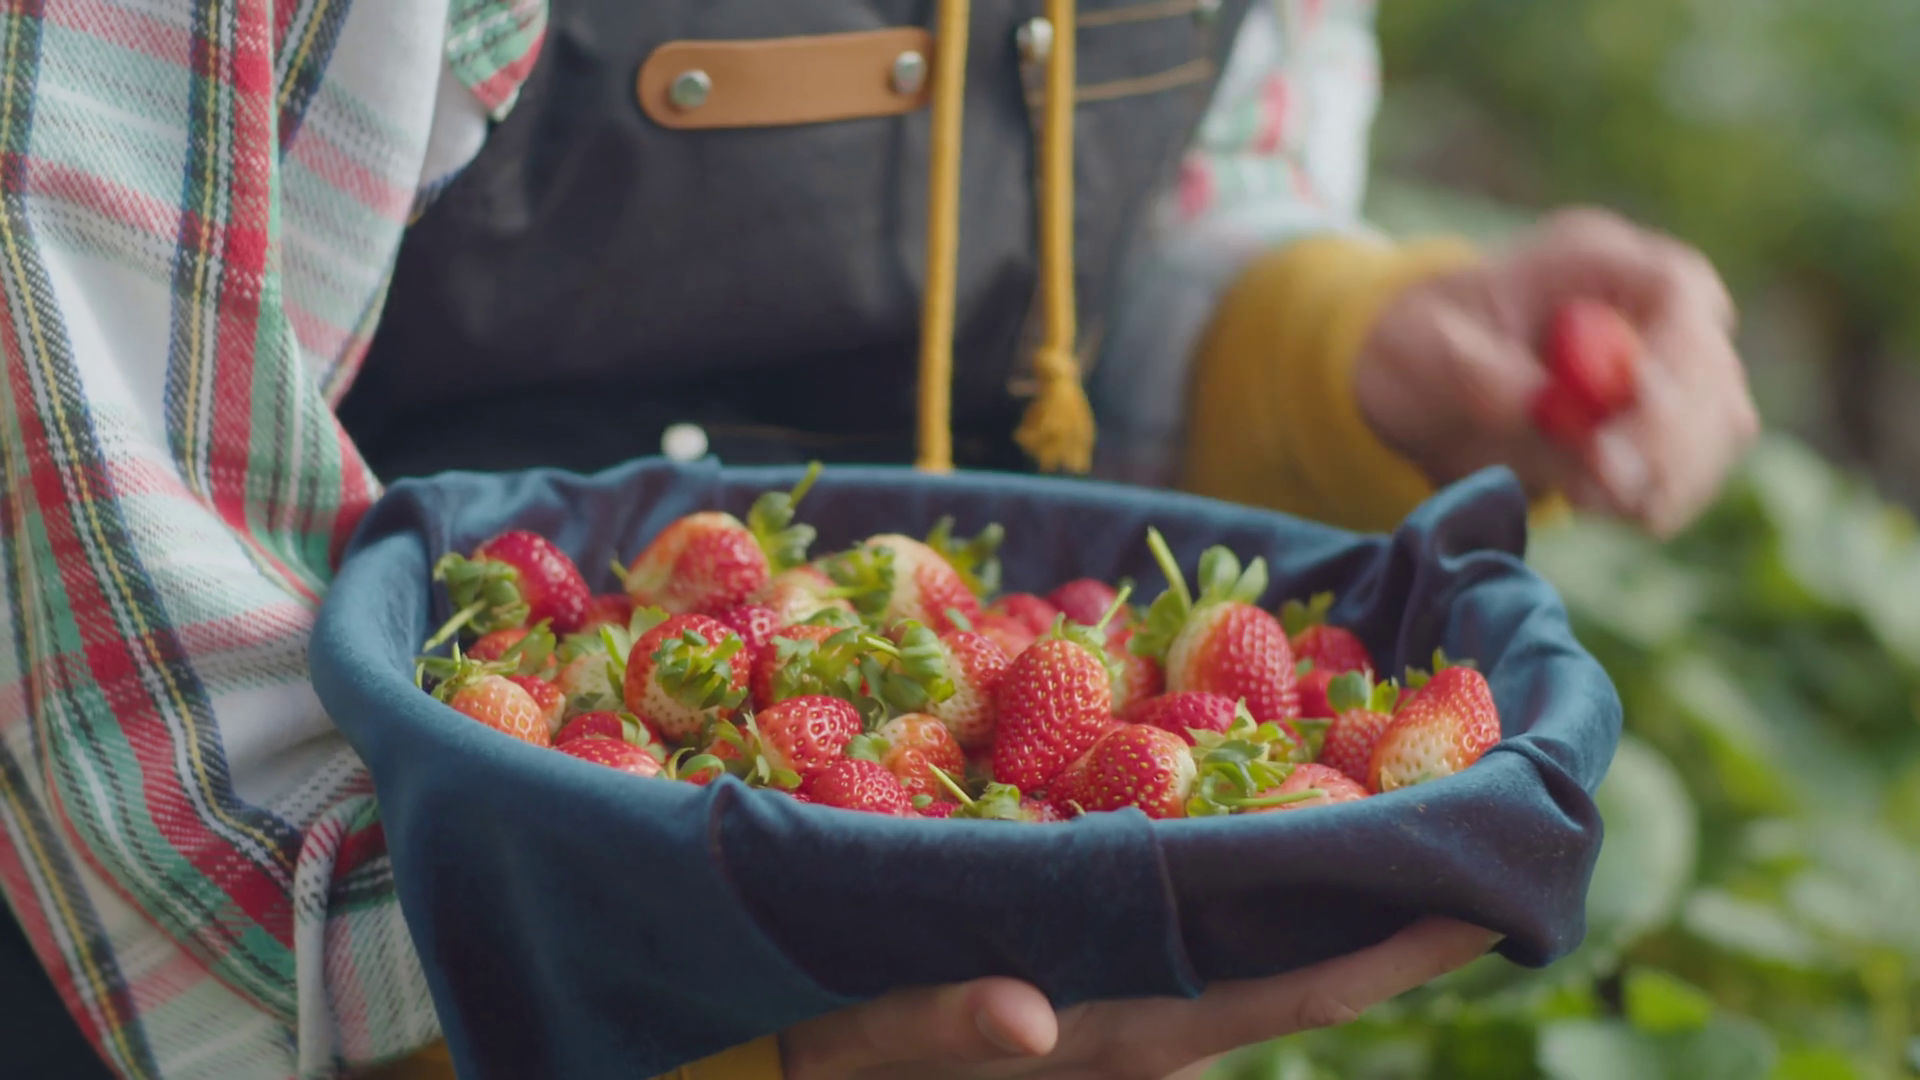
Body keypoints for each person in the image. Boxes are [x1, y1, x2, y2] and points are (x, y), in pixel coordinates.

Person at [0, 0, 1755, 1078]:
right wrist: (648, 1030)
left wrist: (1339, 356)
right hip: (341, 930)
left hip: (947, 885)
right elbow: (93, 523)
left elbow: (1148, 180)